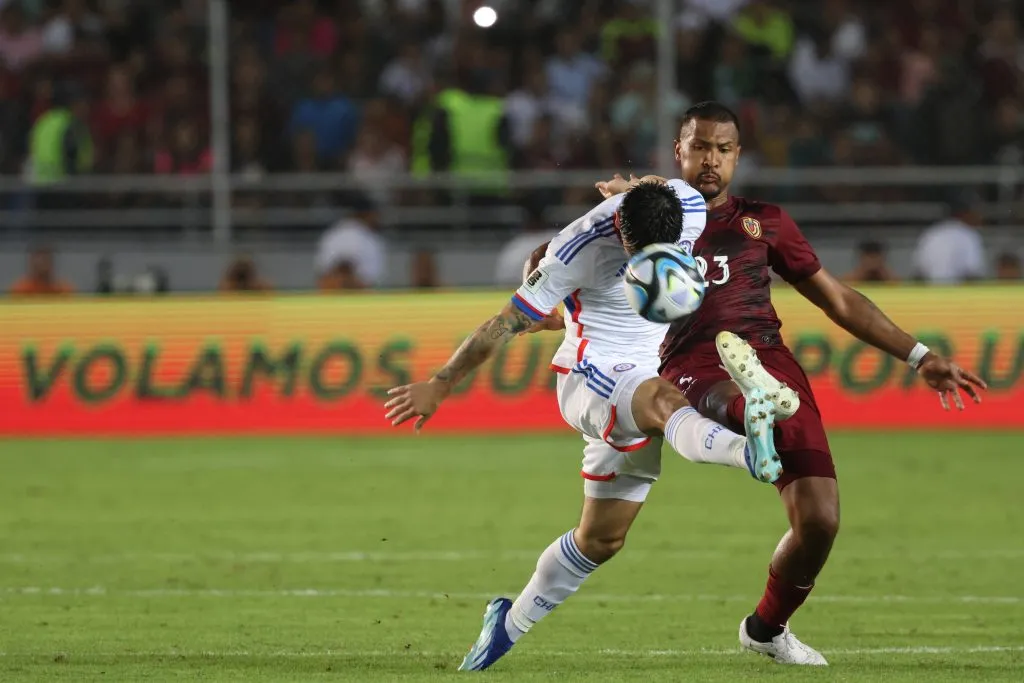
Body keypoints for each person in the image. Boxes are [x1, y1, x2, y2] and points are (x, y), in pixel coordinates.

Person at [583, 102, 986, 665]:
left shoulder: (764, 221)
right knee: (724, 394)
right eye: (699, 147)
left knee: (820, 520)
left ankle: (766, 628)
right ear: (679, 150)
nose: (710, 160)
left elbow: (839, 299)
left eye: (723, 149)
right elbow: (560, 258)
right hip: (693, 360)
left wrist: (919, 356)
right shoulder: (653, 216)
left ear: (739, 156)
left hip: (772, 362)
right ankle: (750, 406)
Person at [385, 181, 789, 672]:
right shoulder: (575, 247)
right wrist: (441, 383)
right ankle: (749, 449)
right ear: (620, 231)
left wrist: (631, 187)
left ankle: (505, 626)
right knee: (667, 403)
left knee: (601, 539)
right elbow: (505, 322)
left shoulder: (686, 204)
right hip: (589, 374)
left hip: (645, 368)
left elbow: (653, 191)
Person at [10, 245, 74, 295]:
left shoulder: (63, 290)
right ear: (31, 261)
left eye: (46, 258)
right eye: (40, 257)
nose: (43, 262)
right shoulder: (21, 290)